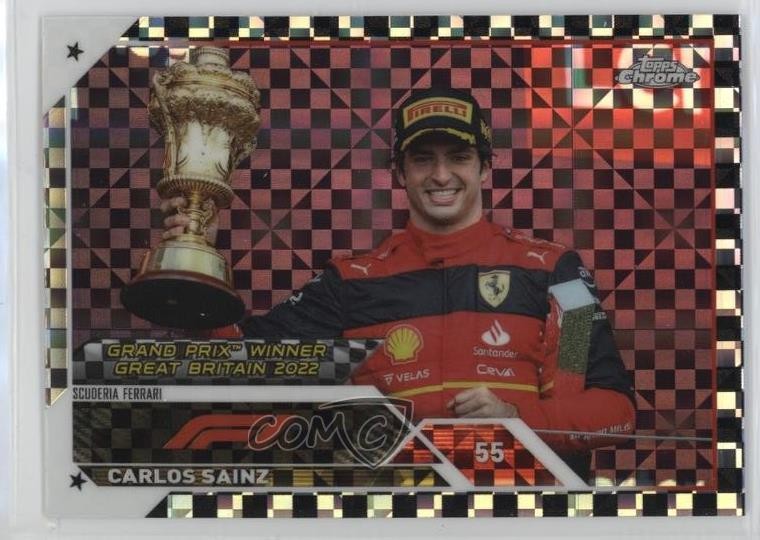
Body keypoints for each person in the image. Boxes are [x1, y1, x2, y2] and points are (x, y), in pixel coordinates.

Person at [161, 88, 635, 464]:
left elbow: (615, 413)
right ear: (400, 173)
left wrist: (517, 418)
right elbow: (243, 362)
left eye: (459, 156)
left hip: (521, 510)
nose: (441, 175)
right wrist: (193, 263)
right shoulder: (352, 280)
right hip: (397, 507)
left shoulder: (555, 272)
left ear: (485, 168)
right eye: (423, 158)